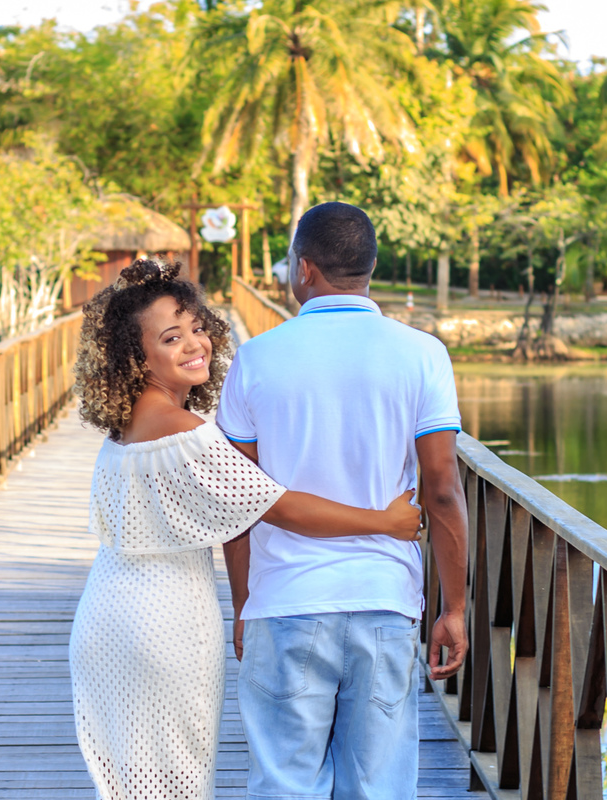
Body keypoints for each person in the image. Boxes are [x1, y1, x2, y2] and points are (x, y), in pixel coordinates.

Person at [68, 259, 424, 800]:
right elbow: (277, 507)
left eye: (196, 327)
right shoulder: (181, 428)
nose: (196, 344)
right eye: (171, 338)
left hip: (112, 611)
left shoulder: (131, 423)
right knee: (176, 779)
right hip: (163, 623)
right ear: (135, 358)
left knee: (134, 783)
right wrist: (386, 522)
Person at [216, 202, 470, 800]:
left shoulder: (254, 357)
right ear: (371, 266)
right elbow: (441, 489)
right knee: (379, 787)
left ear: (304, 269)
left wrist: (244, 605)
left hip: (286, 600)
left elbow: (239, 503)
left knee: (284, 784)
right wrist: (453, 607)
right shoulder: (422, 353)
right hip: (384, 598)